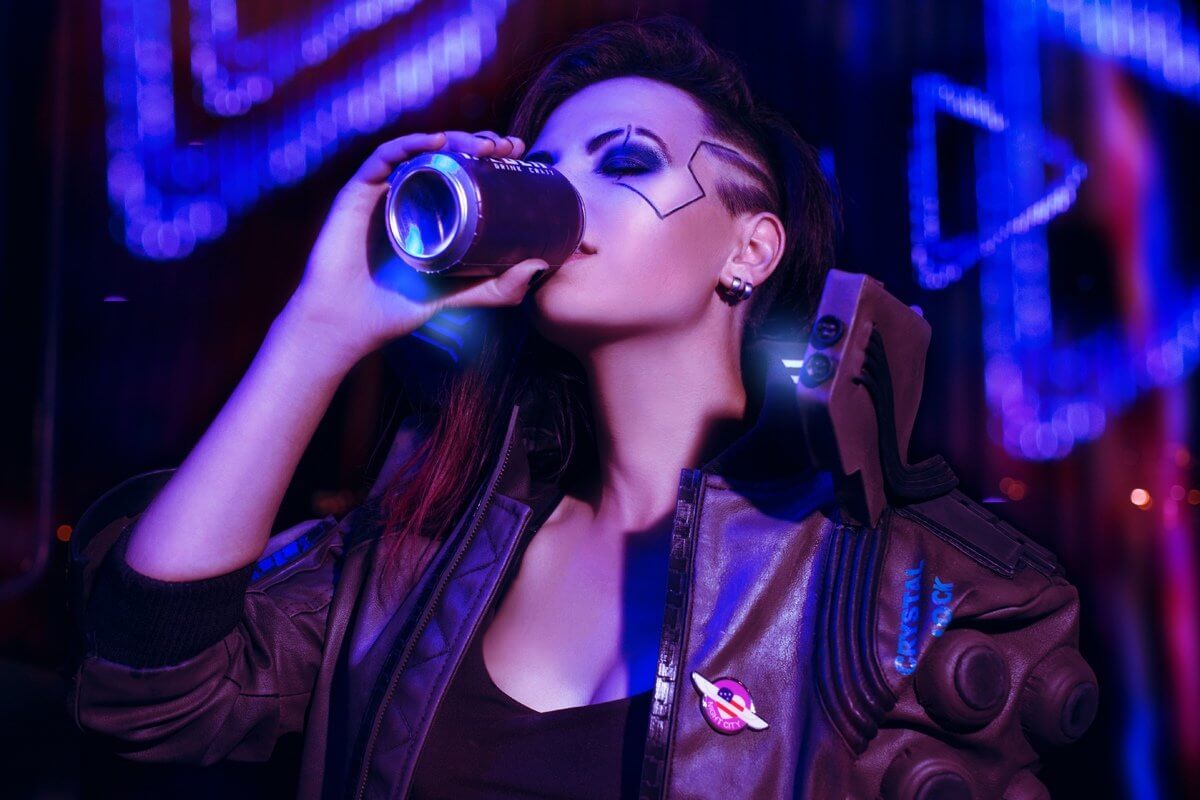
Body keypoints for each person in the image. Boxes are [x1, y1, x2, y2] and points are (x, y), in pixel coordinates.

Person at [67, 15, 1095, 800]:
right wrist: (319, 328)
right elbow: (153, 695)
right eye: (546, 168)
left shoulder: (901, 597)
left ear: (751, 249)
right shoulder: (423, 551)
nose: (567, 196)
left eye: (628, 160)